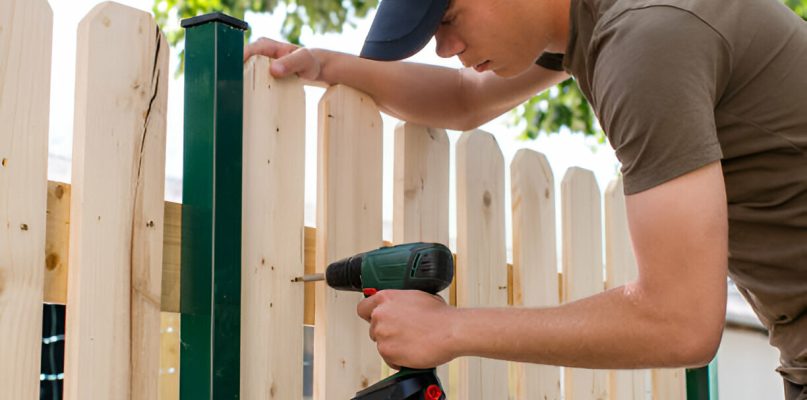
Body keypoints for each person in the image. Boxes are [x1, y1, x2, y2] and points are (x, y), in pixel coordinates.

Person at [244, 0, 807, 397]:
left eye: (447, 17)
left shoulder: (646, 39)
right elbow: (466, 99)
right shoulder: (606, 18)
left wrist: (451, 329)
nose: (444, 48)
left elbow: (680, 322)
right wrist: (328, 65)